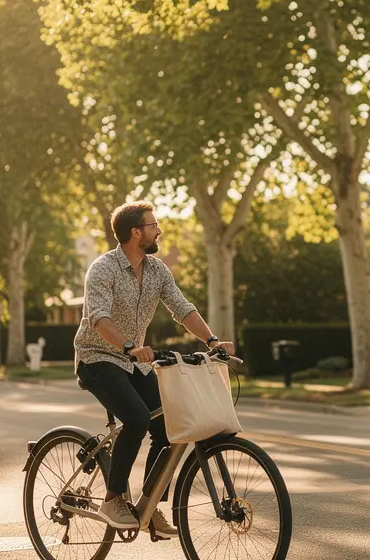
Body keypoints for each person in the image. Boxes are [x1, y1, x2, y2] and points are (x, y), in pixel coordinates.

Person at [73, 200, 235, 533]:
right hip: (96, 357)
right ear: (136, 232)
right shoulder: (103, 269)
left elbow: (182, 308)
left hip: (134, 362)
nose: (158, 229)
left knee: (171, 425)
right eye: (153, 224)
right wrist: (129, 346)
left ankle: (148, 504)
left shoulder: (157, 270)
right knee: (136, 417)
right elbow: (98, 317)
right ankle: (113, 499)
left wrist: (212, 341)